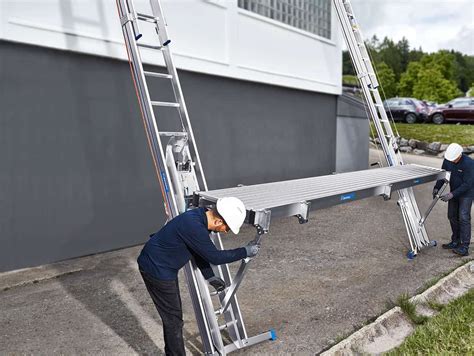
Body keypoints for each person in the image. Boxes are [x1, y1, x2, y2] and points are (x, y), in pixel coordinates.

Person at [137, 197, 260, 356]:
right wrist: (245, 251)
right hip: (157, 269)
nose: (225, 232)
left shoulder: (200, 216)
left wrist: (209, 276)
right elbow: (215, 257)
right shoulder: (194, 226)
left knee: (174, 318)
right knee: (173, 321)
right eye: (227, 228)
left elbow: (197, 249)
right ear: (218, 221)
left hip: (161, 263)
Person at [433, 143, 474, 256]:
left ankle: (464, 247)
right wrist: (437, 187)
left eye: (454, 159)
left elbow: (468, 184)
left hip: (467, 193)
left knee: (464, 217)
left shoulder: (469, 164)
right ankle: (455, 240)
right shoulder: (448, 160)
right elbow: (443, 175)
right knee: (451, 215)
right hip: (454, 191)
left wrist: (452, 194)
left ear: (460, 155)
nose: (452, 161)